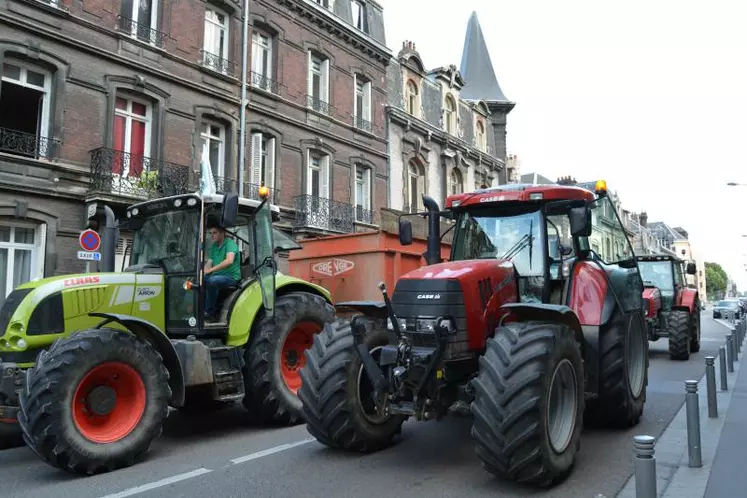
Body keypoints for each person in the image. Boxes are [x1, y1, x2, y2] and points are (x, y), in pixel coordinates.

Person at [203, 223, 241, 320]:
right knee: (197, 280)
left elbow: (229, 260)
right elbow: (210, 262)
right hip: (216, 275)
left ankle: (210, 312)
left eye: (214, 233)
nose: (212, 235)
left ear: (222, 233)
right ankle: (197, 309)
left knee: (212, 281)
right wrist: (204, 271)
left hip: (231, 277)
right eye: (210, 233)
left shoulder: (230, 244)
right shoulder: (214, 246)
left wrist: (210, 270)